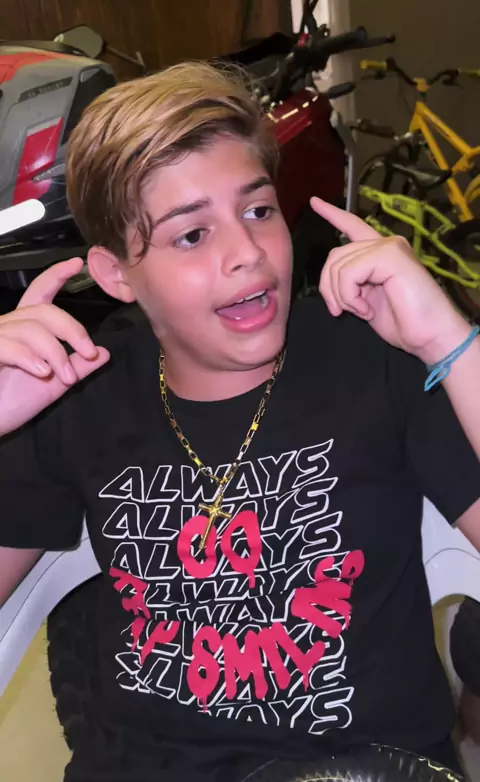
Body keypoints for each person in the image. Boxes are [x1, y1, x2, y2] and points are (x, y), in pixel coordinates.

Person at [0, 61, 478, 782]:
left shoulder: (372, 358)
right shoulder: (81, 394)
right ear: (117, 274)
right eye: (192, 235)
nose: (248, 254)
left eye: (258, 211)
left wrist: (448, 339)